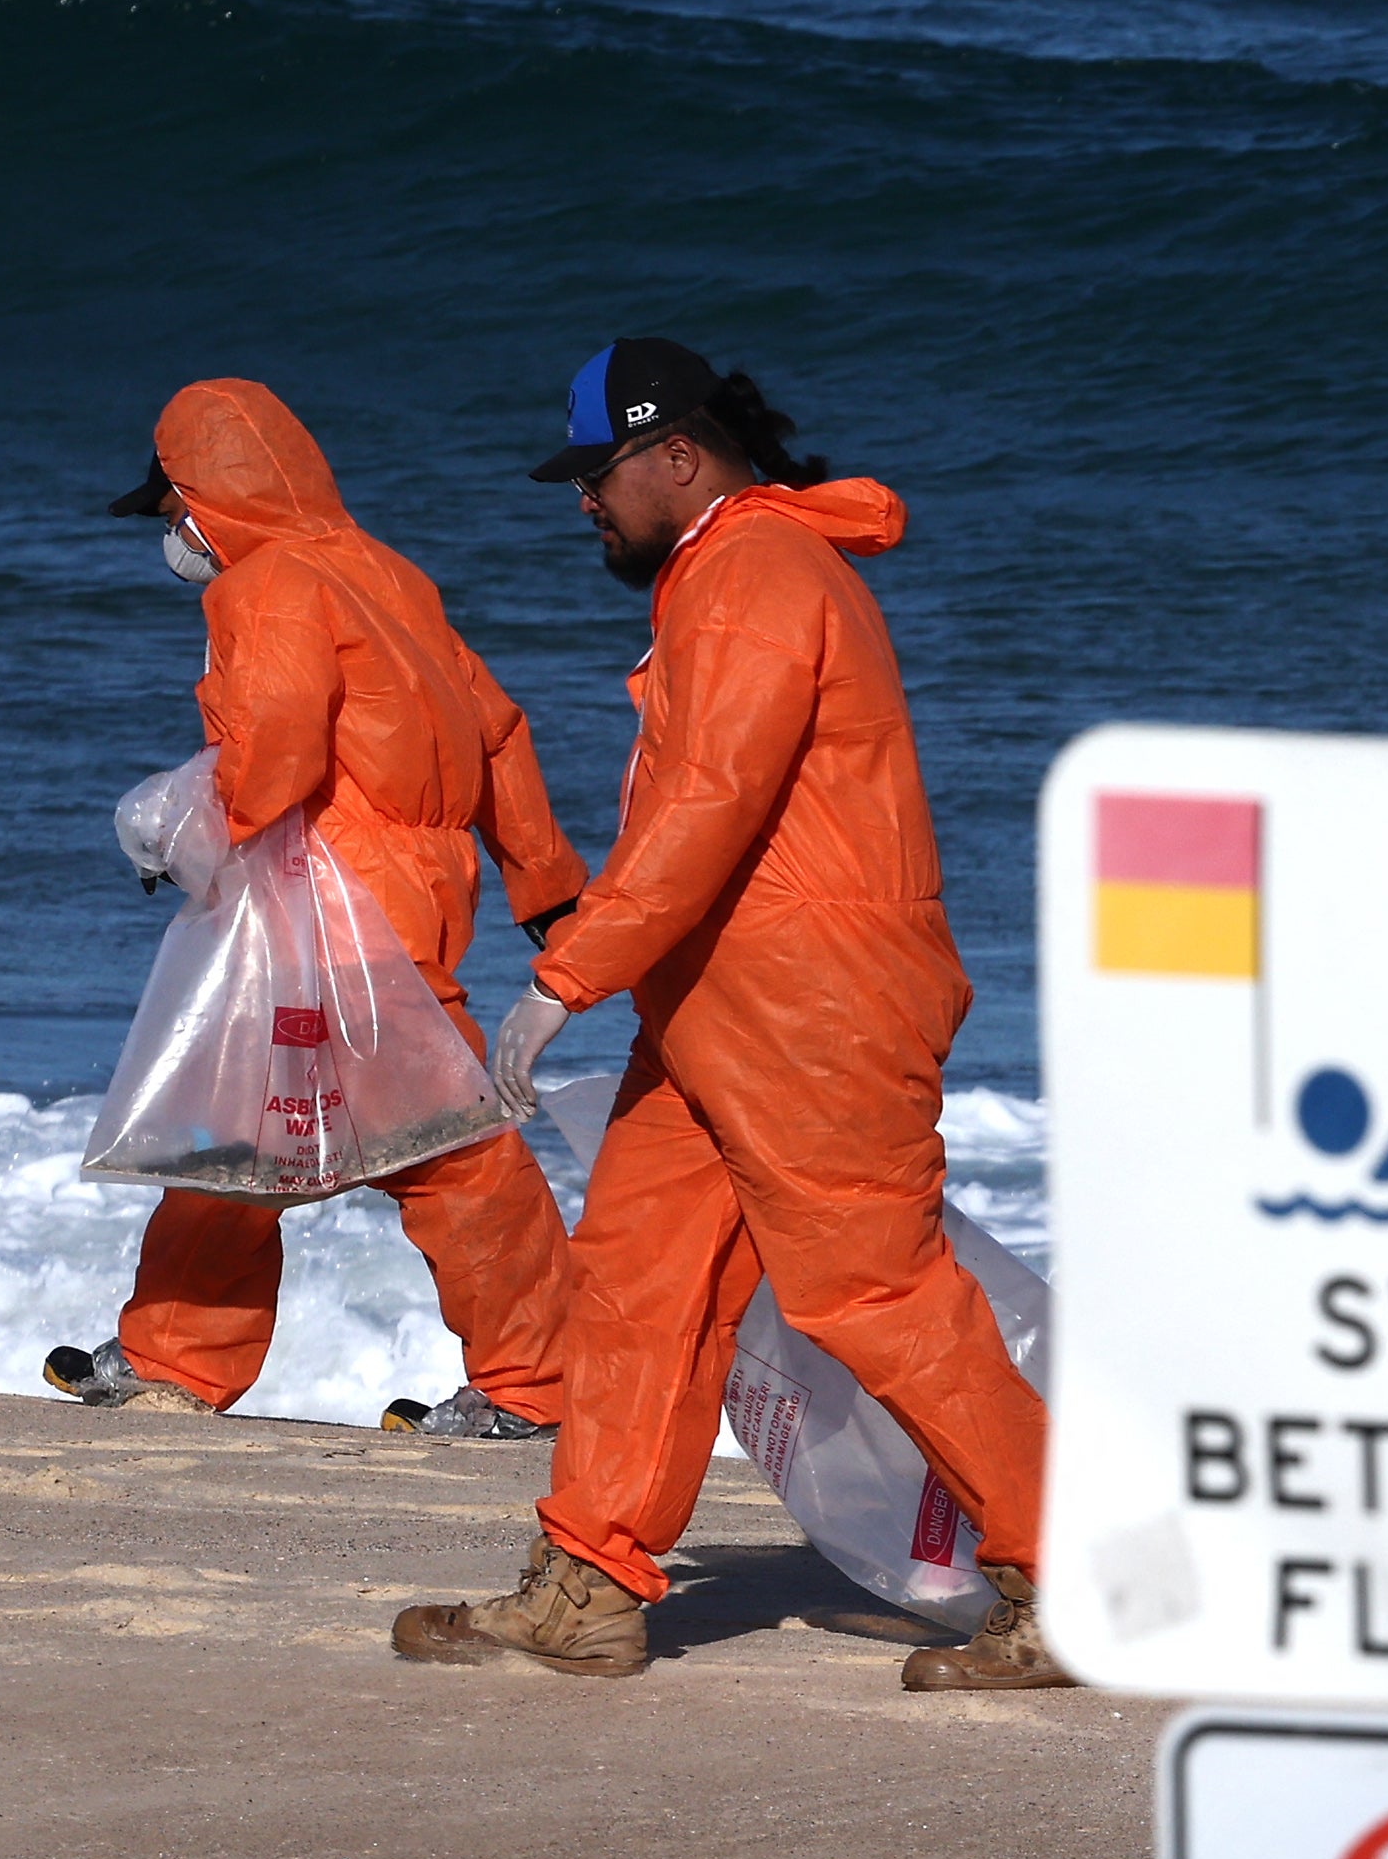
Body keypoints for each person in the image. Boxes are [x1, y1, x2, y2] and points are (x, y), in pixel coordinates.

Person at [389, 340, 1063, 1690]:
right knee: (640, 1278)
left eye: (596, 473)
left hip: (817, 1011)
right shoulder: (731, 567)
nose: (582, 499)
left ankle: (1063, 1576)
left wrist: (557, 981)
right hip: (718, 1007)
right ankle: (589, 1581)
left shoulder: (755, 574)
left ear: (675, 455)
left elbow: (710, 808)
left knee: (875, 1292)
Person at [43, 381, 589, 1435]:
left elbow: (278, 753)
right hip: (419, 895)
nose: (174, 537)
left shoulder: (270, 587)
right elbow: (497, 730)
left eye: (172, 513)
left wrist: (180, 834)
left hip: (333, 905)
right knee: (334, 1136)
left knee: (353, 1141)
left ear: (209, 500)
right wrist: (548, 886)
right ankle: (533, 1383)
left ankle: (534, 1391)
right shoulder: (391, 575)